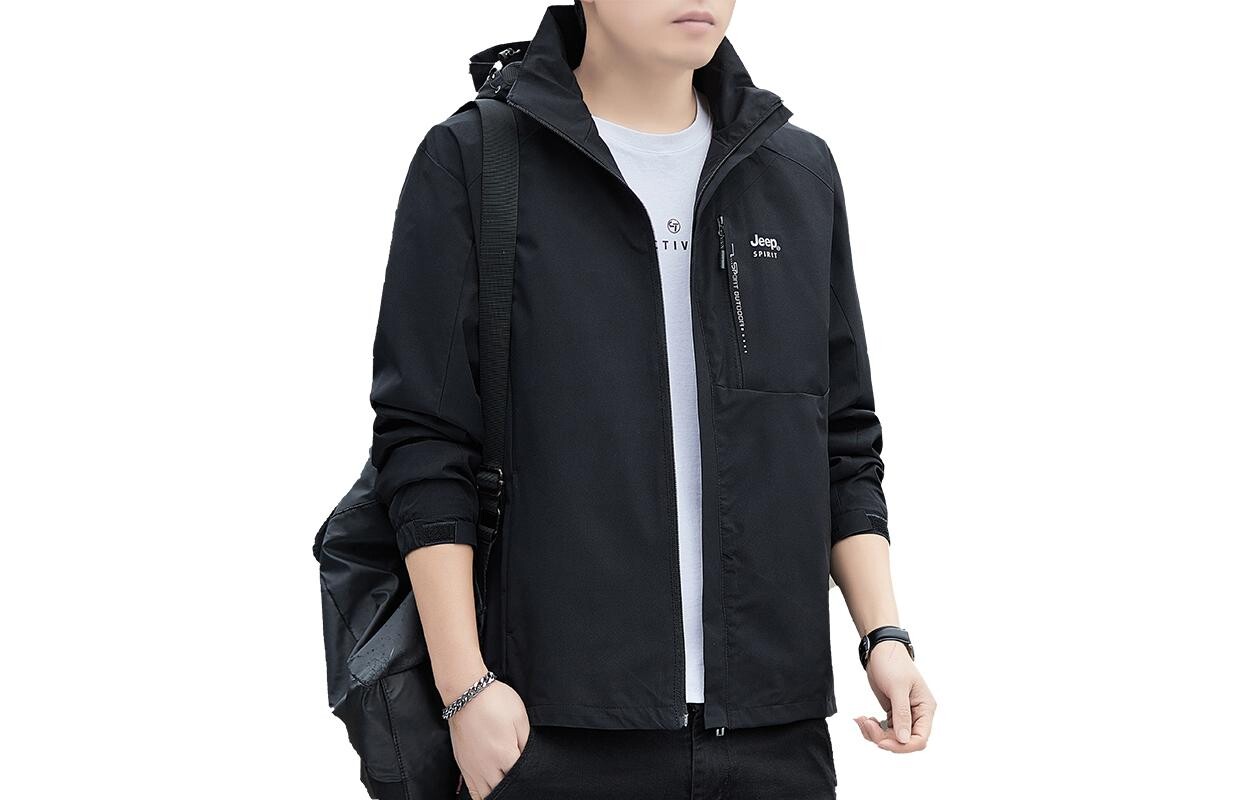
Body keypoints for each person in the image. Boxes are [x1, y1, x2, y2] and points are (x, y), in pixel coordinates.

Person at [368, 1, 936, 797]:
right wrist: (466, 689)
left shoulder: (797, 173)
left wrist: (884, 636)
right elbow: (426, 442)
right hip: (551, 729)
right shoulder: (476, 160)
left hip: (775, 737)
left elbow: (840, 438)